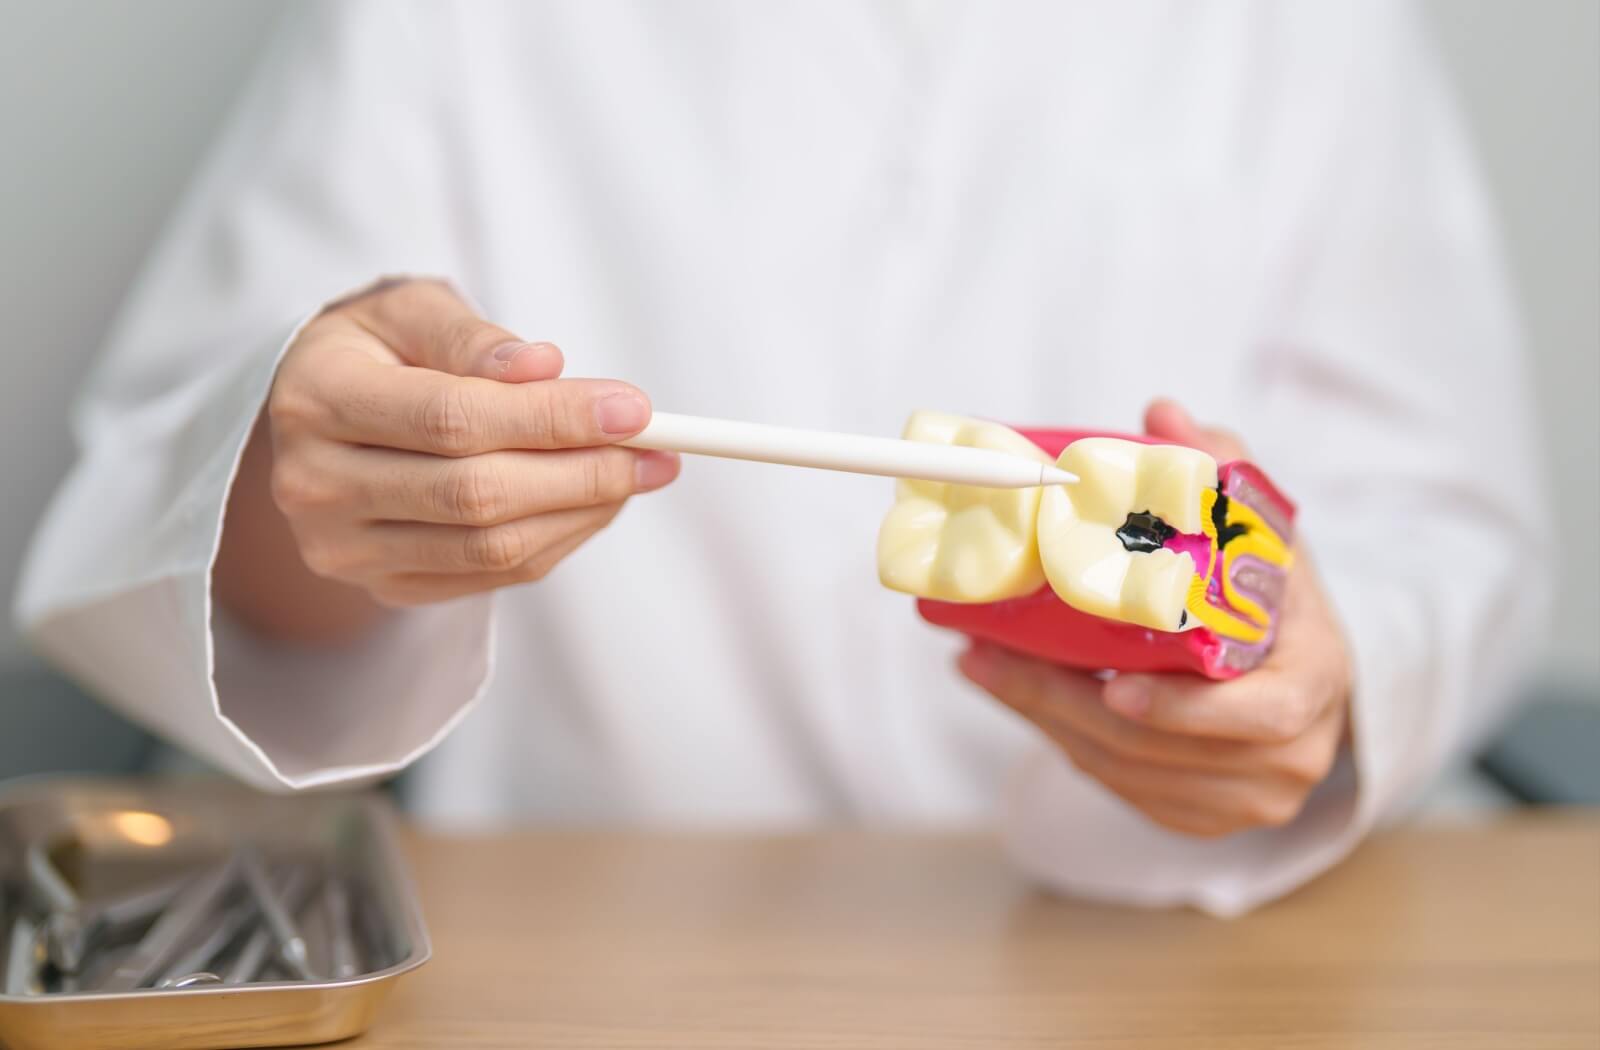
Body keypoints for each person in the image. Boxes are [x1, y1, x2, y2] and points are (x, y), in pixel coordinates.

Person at [14, 1, 1545, 916]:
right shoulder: (451, 24)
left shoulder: (1305, 30)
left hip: (1161, 951)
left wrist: (1328, 690)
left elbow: (1450, 526)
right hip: (597, 949)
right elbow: (174, 530)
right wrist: (331, 488)